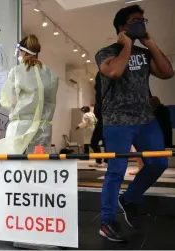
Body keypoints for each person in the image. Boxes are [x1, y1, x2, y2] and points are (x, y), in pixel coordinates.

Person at [96, 5, 174, 242]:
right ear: (122, 27)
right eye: (135, 21)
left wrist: (149, 43)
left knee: (159, 162)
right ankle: (107, 221)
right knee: (116, 171)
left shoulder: (145, 52)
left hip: (145, 119)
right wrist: (127, 44)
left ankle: (129, 198)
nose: (141, 23)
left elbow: (167, 72)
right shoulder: (106, 52)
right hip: (117, 120)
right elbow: (115, 72)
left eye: (143, 20)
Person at [0, 34, 59, 227]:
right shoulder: (51, 74)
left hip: (20, 127)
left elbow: (8, 100)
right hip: (43, 128)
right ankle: (37, 215)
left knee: (11, 171)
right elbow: (51, 102)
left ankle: (6, 214)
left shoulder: (16, 71)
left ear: (22, 51)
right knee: (38, 171)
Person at [90, 73, 107, 167]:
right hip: (101, 117)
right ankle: (99, 160)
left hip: (106, 116)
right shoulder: (99, 74)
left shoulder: (103, 76)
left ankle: (106, 161)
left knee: (105, 141)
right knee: (94, 142)